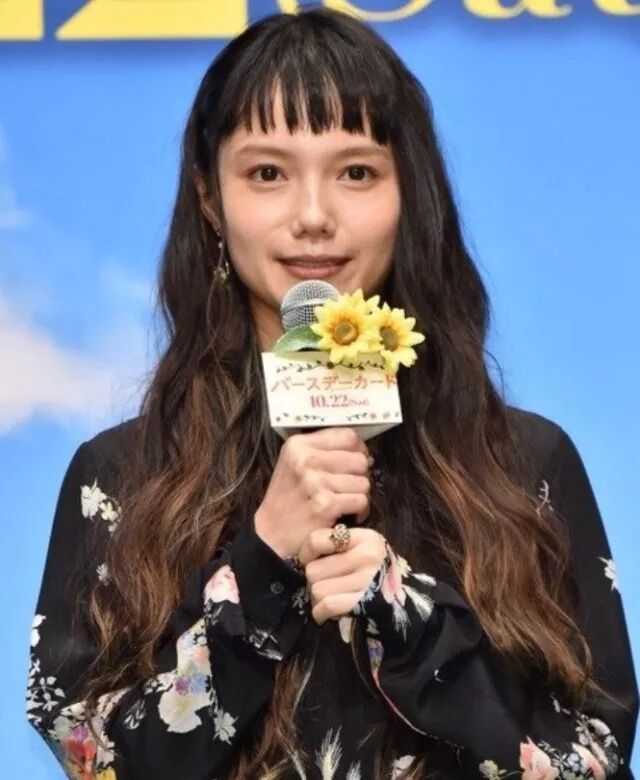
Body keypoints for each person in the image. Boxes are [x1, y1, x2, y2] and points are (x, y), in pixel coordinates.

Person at [26, 8, 638, 780]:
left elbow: (595, 759)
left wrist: (412, 620)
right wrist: (261, 564)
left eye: (356, 173)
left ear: (409, 192)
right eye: (267, 174)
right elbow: (96, 760)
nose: (313, 217)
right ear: (210, 198)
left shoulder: (521, 463)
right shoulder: (121, 477)